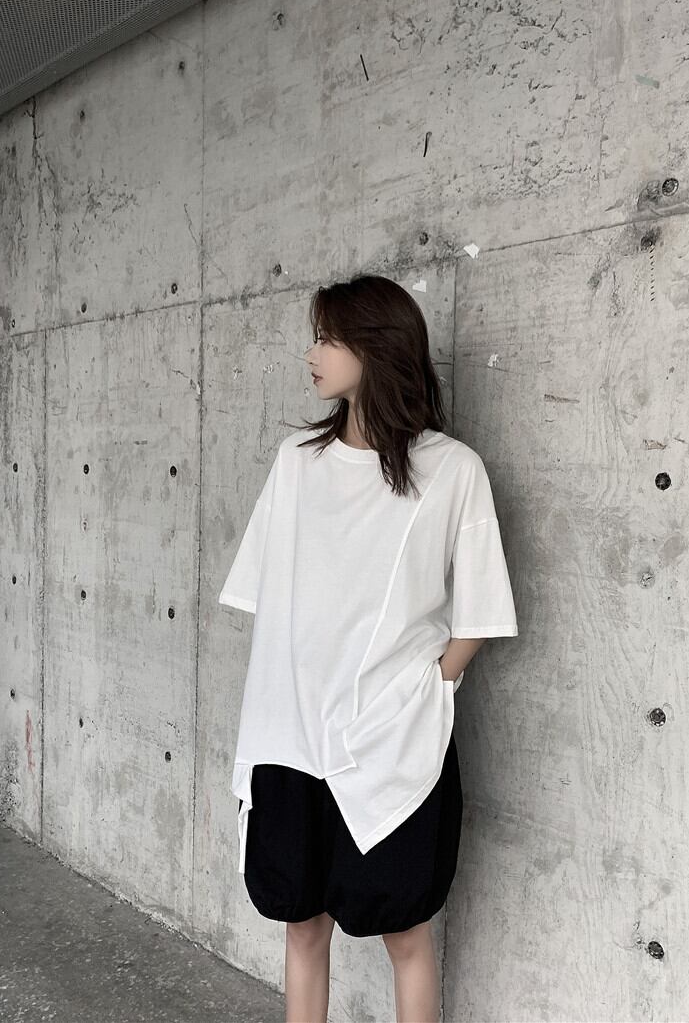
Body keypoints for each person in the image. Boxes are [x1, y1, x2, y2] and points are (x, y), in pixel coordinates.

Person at [218, 273, 519, 1023]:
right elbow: (274, 599)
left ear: (377, 347)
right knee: (301, 923)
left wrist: (426, 688)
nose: (311, 354)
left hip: (391, 735)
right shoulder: (298, 461)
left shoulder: (452, 470)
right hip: (291, 735)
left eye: (328, 338)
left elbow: (480, 611)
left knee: (404, 931)